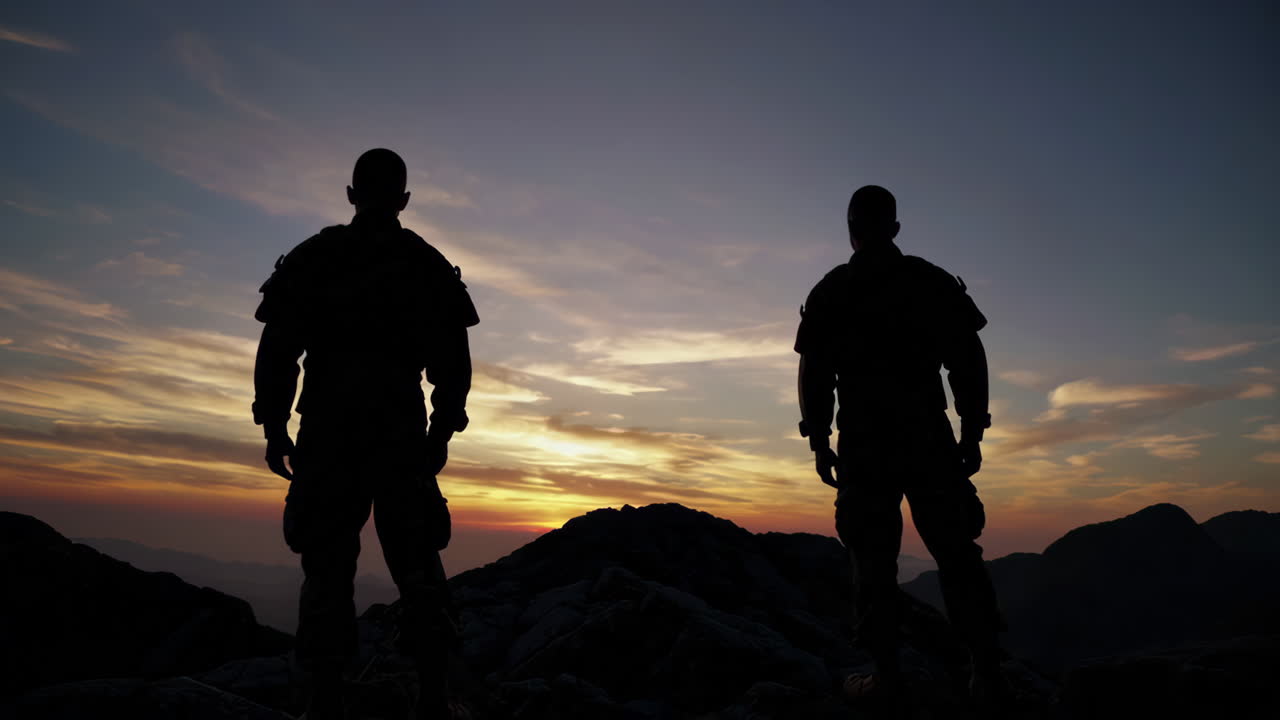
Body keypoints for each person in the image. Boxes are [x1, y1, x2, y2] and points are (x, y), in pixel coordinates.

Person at [252, 148, 478, 720]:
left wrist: (276, 425)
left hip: (328, 436)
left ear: (350, 194)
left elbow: (278, 351)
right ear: (404, 200)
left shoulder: (316, 258)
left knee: (327, 568)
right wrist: (441, 430)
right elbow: (453, 363)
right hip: (399, 437)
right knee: (419, 565)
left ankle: (326, 702)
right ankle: (433, 699)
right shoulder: (425, 265)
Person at [795, 185, 1005, 707]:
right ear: (894, 228)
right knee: (957, 553)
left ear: (851, 229)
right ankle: (987, 674)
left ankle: (887, 680)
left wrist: (820, 439)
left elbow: (814, 373)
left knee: (871, 561)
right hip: (927, 437)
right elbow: (968, 359)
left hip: (866, 444)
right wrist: (972, 430)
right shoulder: (929, 282)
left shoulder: (833, 290)